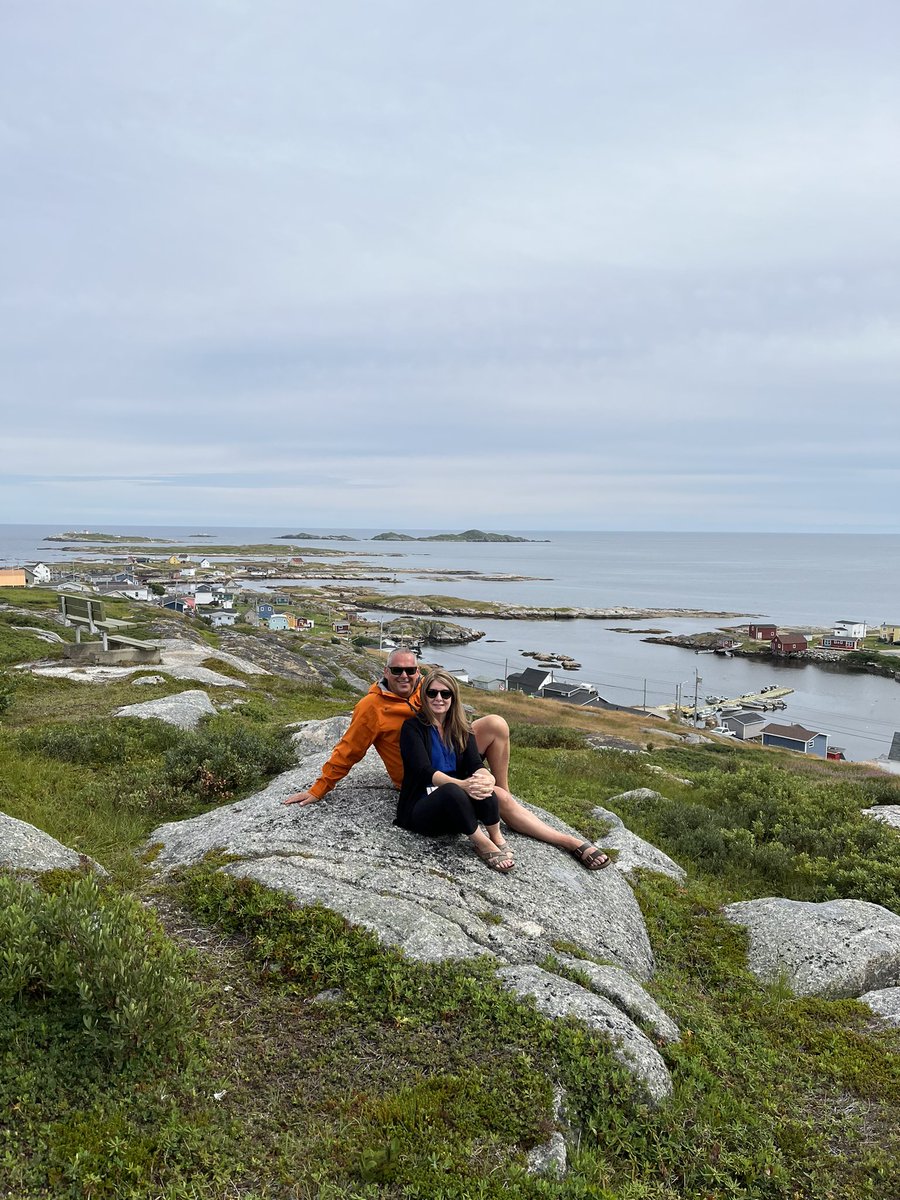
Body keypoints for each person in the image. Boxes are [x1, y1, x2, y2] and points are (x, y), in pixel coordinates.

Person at [283, 647, 610, 869]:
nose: (405, 676)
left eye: (411, 671)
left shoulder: (424, 690)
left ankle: (499, 796)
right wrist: (319, 788)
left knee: (495, 725)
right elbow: (349, 749)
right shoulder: (373, 707)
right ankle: (561, 839)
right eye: (397, 670)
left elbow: (454, 721)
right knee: (470, 790)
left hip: (451, 760)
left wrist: (487, 780)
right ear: (386, 672)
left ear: (418, 673)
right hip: (420, 777)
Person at [397, 669, 513, 871]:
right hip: (422, 810)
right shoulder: (412, 728)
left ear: (453, 697)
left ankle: (496, 836)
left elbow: (475, 764)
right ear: (424, 696)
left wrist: (487, 777)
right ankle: (482, 844)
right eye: (432, 693)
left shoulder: (461, 728)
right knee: (454, 790)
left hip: (457, 811)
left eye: (445, 693)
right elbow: (423, 771)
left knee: (481, 785)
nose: (439, 698)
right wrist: (462, 785)